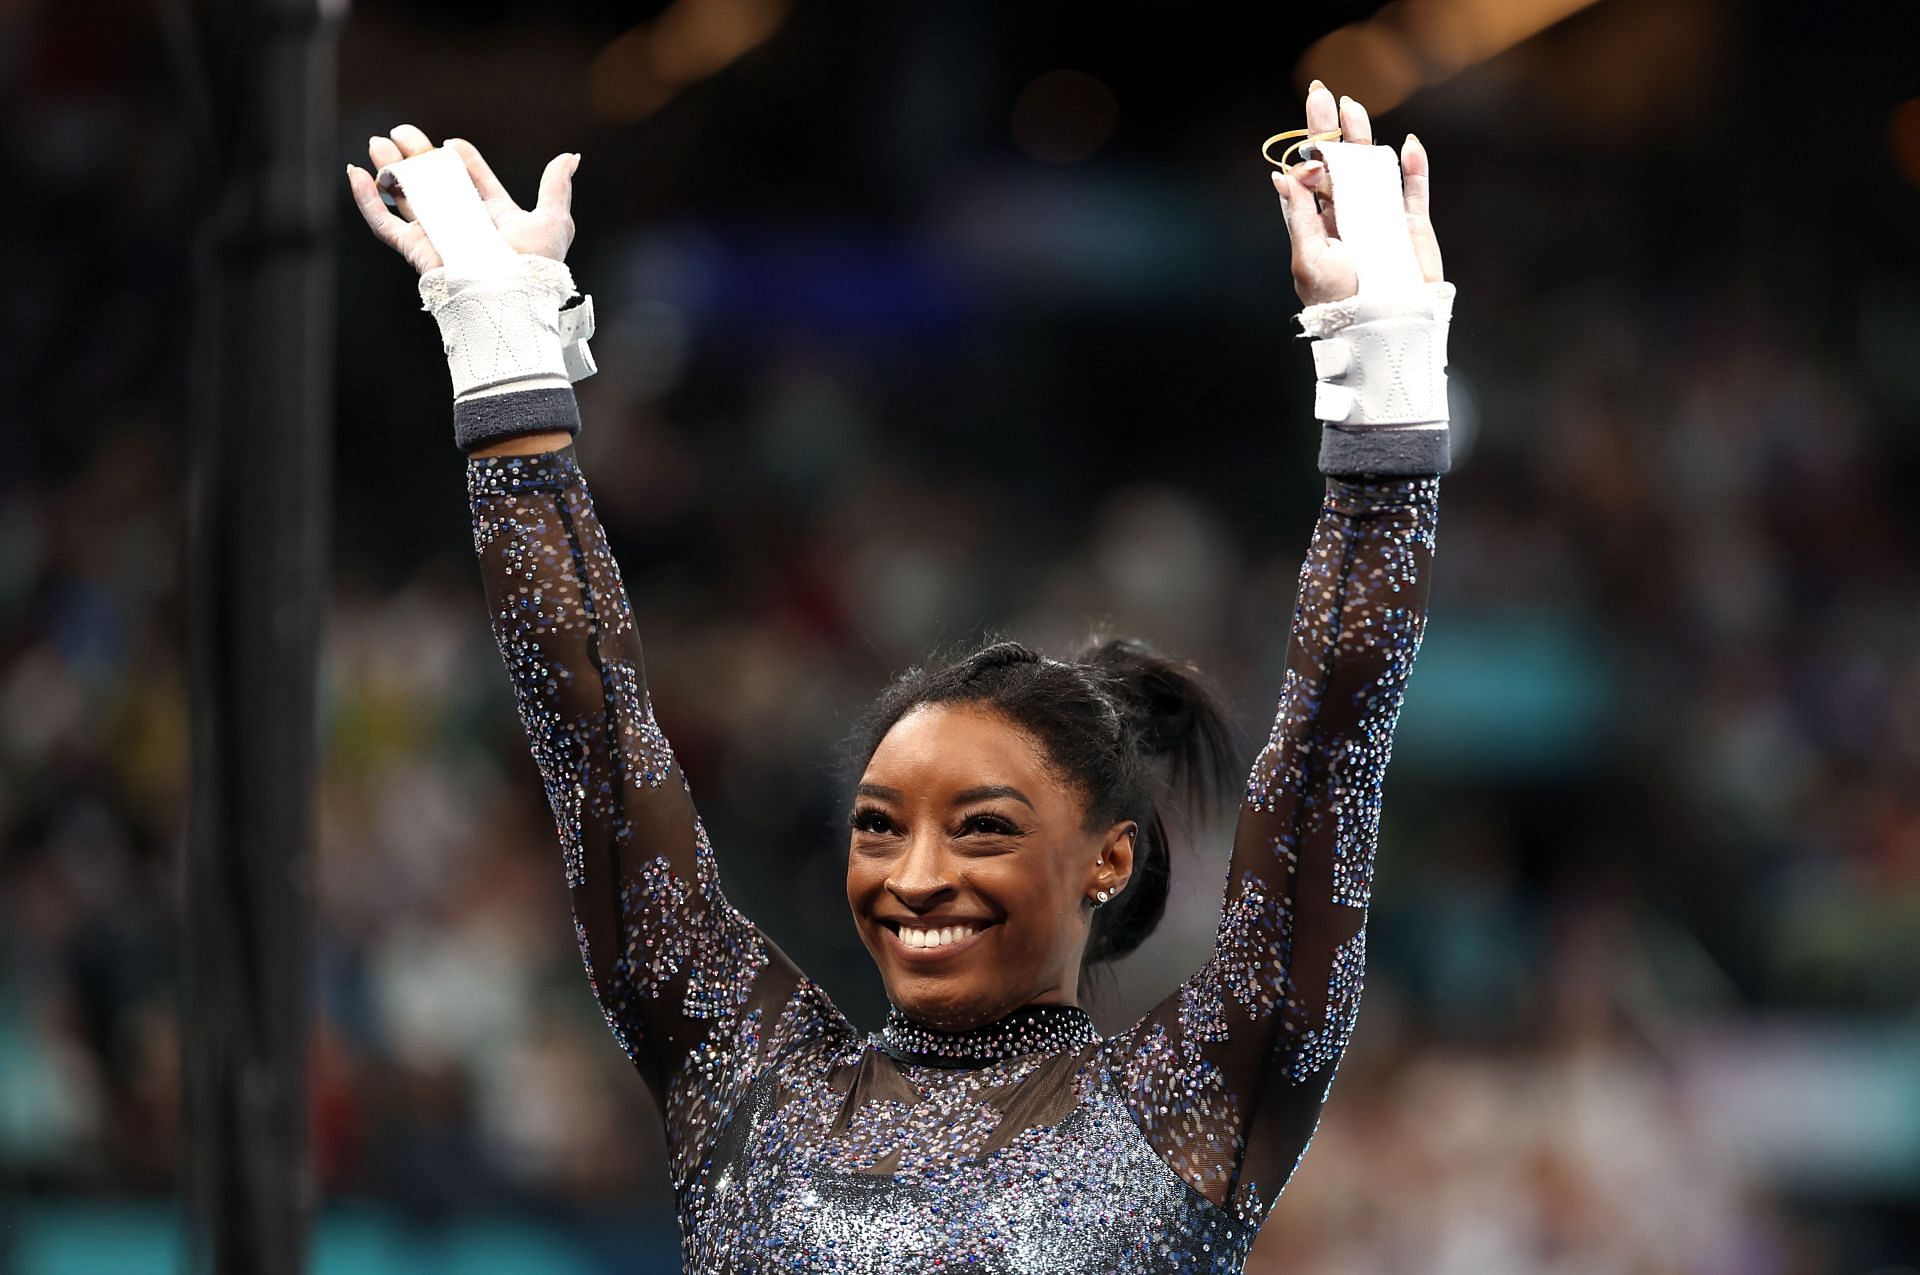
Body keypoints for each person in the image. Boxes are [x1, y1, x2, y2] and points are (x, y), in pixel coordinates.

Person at [346, 78, 1451, 1273]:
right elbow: (599, 749)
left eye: (980, 829)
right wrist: (506, 366)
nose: (916, 878)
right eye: (880, 828)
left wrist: (1379, 385)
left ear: (1109, 859)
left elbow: (1333, 752)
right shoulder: (746, 1088)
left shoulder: (1189, 1106)